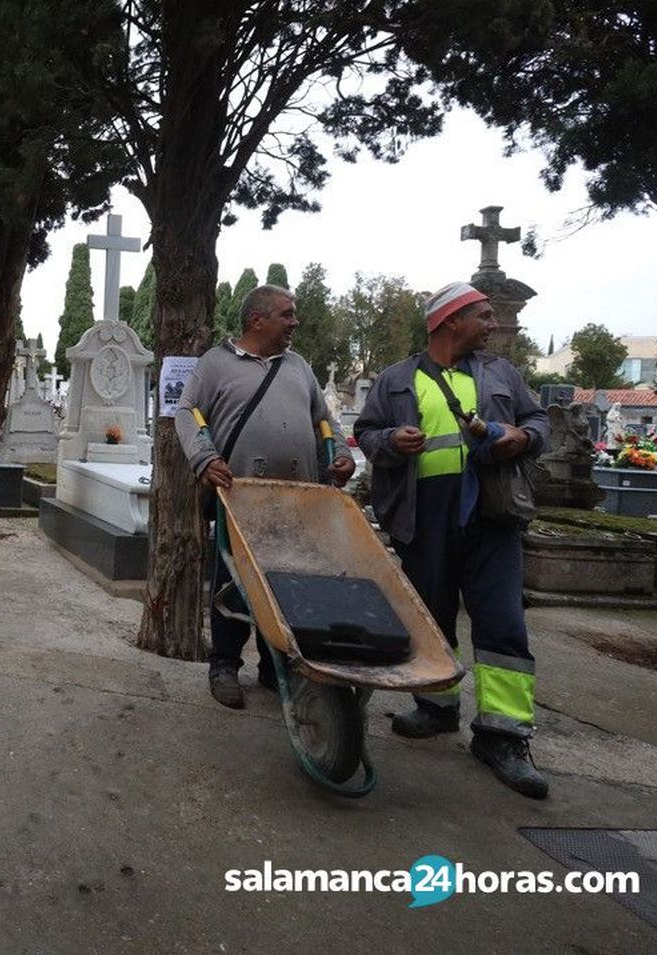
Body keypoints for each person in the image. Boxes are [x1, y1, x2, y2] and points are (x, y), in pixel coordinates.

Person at [355, 283, 550, 798]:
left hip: (491, 517)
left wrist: (523, 438)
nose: (491, 324)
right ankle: (436, 708)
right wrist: (391, 443)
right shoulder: (397, 379)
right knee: (432, 617)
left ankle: (503, 736)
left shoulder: (502, 374)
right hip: (424, 517)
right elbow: (369, 436)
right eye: (482, 316)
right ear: (449, 321)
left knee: (503, 624)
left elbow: (538, 421)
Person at [172, 285, 354, 709]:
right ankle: (224, 665)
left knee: (289, 584)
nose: (295, 322)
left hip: (297, 498)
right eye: (287, 315)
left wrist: (342, 455)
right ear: (257, 320)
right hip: (241, 498)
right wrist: (203, 458)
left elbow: (324, 420)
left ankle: (275, 668)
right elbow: (186, 412)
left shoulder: (299, 367)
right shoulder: (215, 364)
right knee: (233, 583)